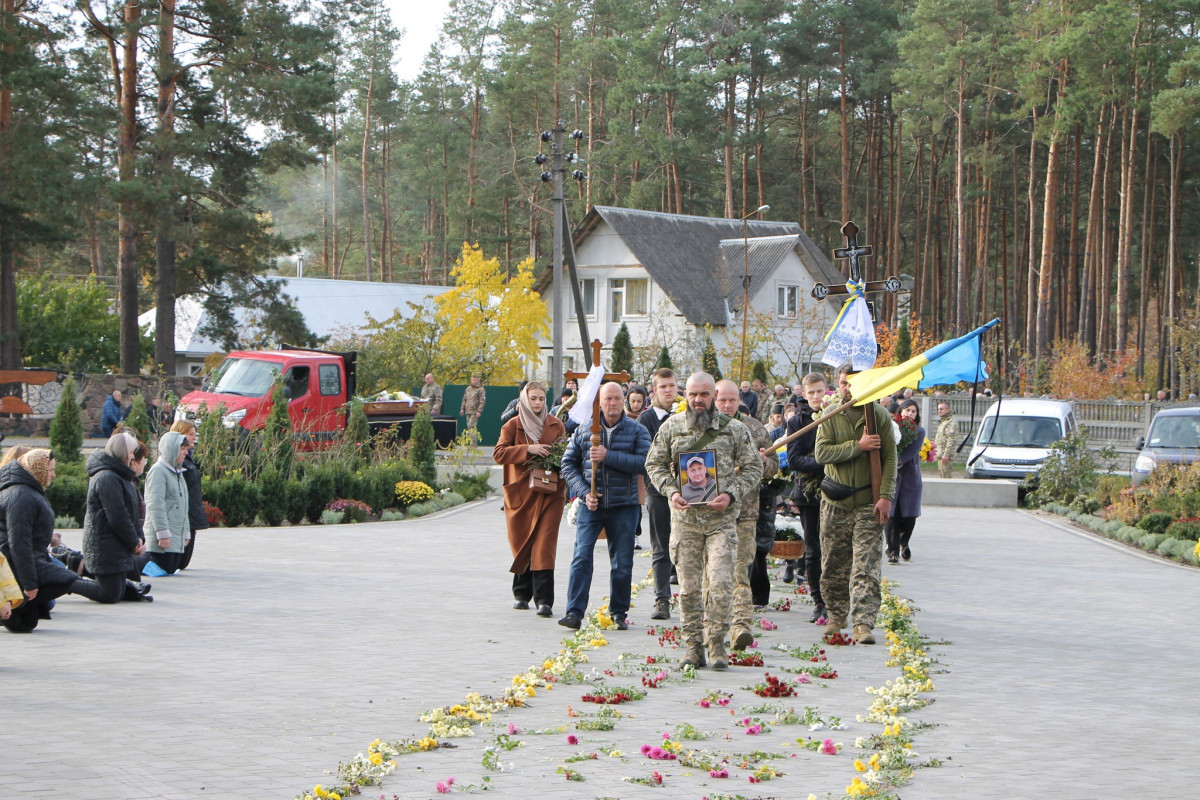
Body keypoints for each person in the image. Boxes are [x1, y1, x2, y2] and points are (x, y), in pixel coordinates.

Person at [645, 372, 762, 670]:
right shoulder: (672, 427)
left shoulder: (733, 430)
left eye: (705, 395)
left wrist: (732, 494)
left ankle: (718, 644)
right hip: (685, 521)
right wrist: (671, 491)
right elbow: (654, 464)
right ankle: (693, 646)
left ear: (713, 396)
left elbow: (753, 467)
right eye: (693, 394)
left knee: (721, 583)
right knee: (688, 588)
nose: (698, 400)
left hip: (721, 520)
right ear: (686, 394)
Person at [815, 366, 897, 645]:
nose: (848, 388)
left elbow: (889, 461)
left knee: (866, 564)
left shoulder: (879, 416)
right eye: (843, 383)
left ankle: (863, 622)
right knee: (833, 563)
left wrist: (885, 496)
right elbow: (822, 453)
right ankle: (836, 615)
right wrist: (857, 446)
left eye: (854, 383)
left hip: (867, 502)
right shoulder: (830, 416)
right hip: (835, 501)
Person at [559, 382, 651, 631]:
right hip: (592, 504)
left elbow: (645, 462)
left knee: (622, 562)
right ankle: (574, 612)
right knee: (581, 557)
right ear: (599, 401)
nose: (613, 403)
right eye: (607, 398)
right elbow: (568, 465)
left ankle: (619, 612)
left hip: (624, 504)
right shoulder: (584, 429)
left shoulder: (636, 430)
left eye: (617, 398)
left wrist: (607, 456)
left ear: (624, 400)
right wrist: (582, 492)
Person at [0, 449, 110, 632]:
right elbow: (19, 544)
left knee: (27, 622)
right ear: (38, 470)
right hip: (17, 563)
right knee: (66, 578)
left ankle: (15, 608)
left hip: (31, 559)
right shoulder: (21, 495)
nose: (53, 474)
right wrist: (30, 584)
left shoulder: (28, 490)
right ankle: (11, 605)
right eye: (50, 469)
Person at [492, 382, 567, 617]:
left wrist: (557, 457)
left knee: (544, 544)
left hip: (550, 493)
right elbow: (499, 454)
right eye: (533, 398)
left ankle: (544, 600)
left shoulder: (557, 425)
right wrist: (529, 449)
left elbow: (567, 454)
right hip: (521, 493)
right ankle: (521, 594)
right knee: (523, 540)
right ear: (524, 399)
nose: (537, 403)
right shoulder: (513, 425)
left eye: (541, 399)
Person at [714, 379, 777, 650]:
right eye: (722, 400)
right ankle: (714, 625)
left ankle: (741, 626)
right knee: (715, 574)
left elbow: (774, 468)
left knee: (741, 571)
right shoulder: (704, 428)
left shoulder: (754, 428)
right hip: (712, 514)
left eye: (732, 400)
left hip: (746, 513)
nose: (728, 405)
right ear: (713, 400)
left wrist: (764, 463)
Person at [82, 432, 152, 603]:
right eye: (130, 452)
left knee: (118, 592)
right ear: (121, 452)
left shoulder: (121, 475)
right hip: (104, 544)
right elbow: (118, 516)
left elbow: (132, 513)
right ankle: (70, 582)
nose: (131, 456)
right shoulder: (107, 477)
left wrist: (139, 537)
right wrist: (133, 542)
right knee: (110, 594)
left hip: (116, 546)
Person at [636, 368, 680, 620]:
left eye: (671, 385)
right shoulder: (647, 418)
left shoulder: (688, 413)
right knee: (661, 547)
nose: (668, 390)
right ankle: (662, 600)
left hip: (689, 492)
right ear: (654, 390)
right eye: (662, 386)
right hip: (658, 491)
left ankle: (692, 599)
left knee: (688, 546)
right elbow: (647, 456)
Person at [786, 372, 829, 623]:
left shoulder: (835, 414)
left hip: (837, 490)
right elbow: (794, 459)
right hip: (808, 493)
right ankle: (818, 601)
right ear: (803, 393)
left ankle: (835, 597)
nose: (815, 396)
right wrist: (825, 462)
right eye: (811, 392)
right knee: (813, 549)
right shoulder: (797, 422)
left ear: (827, 391)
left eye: (819, 391)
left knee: (834, 548)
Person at [143, 431, 191, 576]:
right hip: (162, 541)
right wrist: (162, 533)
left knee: (169, 571)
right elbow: (155, 505)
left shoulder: (178, 473)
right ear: (172, 448)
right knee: (161, 572)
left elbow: (184, 506)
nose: (185, 453)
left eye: (186, 449)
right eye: (182, 449)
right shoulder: (158, 471)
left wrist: (186, 531)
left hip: (175, 539)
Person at [887, 399, 925, 564]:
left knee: (909, 516)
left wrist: (896, 461)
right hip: (893, 477)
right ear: (900, 412)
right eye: (907, 410)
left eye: (913, 411)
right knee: (892, 514)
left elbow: (912, 451)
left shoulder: (919, 431)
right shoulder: (891, 428)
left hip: (910, 477)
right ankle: (893, 550)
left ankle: (904, 542)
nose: (909, 414)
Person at [171, 420, 208, 570]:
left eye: (195, 434)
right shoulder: (178, 461)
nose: (194, 438)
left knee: (183, 563)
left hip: (191, 514)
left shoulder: (188, 459)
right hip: (184, 516)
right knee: (180, 563)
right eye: (190, 434)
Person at [934, 401, 957, 479]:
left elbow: (951, 439)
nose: (939, 411)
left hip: (945, 455)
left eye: (941, 409)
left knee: (946, 477)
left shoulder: (951, 422)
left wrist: (946, 454)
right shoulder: (943, 422)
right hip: (940, 454)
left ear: (947, 410)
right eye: (938, 409)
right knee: (942, 476)